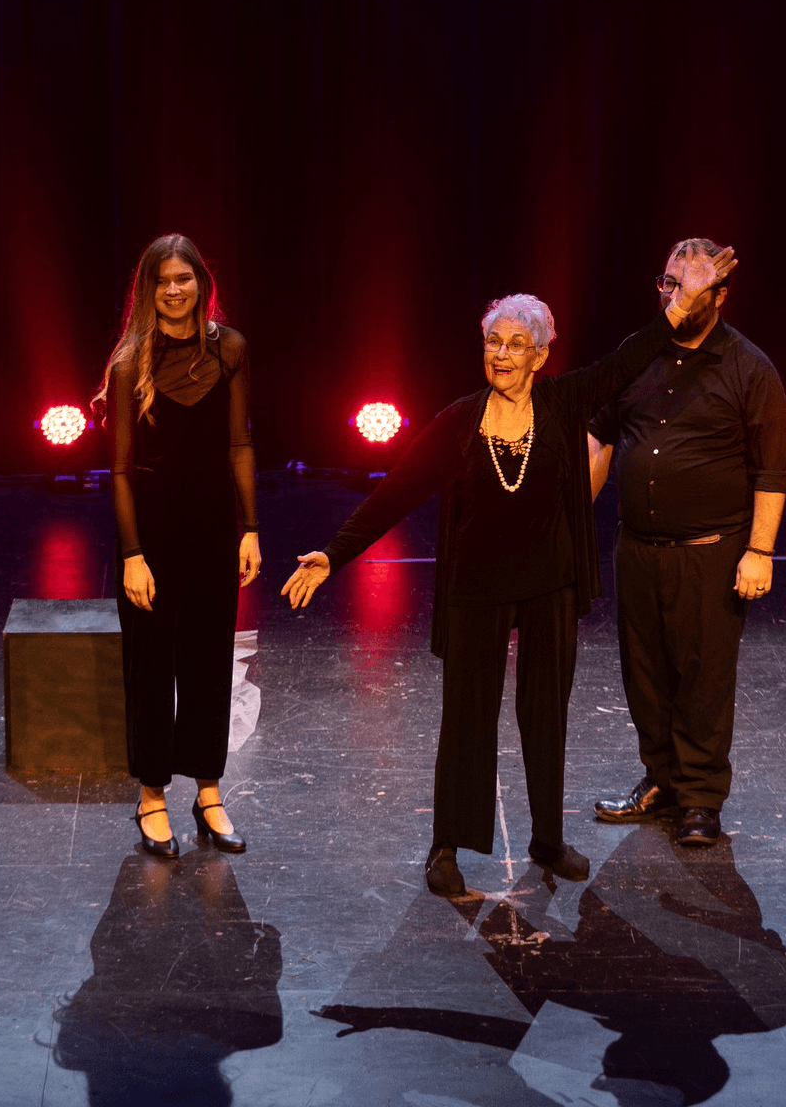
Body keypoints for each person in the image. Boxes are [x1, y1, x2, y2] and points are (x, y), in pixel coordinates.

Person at [281, 247, 736, 896]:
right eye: (493, 341)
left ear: (541, 355)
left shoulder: (565, 402)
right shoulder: (459, 422)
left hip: (549, 587)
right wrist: (333, 552)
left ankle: (547, 840)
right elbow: (397, 490)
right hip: (477, 591)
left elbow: (630, 358)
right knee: (467, 718)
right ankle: (445, 847)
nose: (500, 353)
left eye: (516, 343)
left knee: (544, 718)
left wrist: (686, 304)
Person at [588, 238, 786, 847]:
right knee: (644, 675)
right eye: (668, 283)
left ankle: (700, 798)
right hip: (638, 547)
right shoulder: (637, 355)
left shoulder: (749, 367)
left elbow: (773, 469)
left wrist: (759, 551)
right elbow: (601, 439)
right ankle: (661, 783)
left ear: (720, 295)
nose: (675, 296)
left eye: (691, 286)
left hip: (711, 551)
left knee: (702, 679)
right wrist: (569, 521)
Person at [95, 233, 260, 859]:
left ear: (200, 283)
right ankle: (152, 796)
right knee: (151, 664)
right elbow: (120, 470)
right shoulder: (129, 361)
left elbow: (240, 444)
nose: (173, 289)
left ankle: (209, 791)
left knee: (209, 661)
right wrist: (133, 554)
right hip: (154, 535)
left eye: (183, 278)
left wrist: (249, 529)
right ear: (148, 289)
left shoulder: (231, 347)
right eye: (161, 280)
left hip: (214, 527)